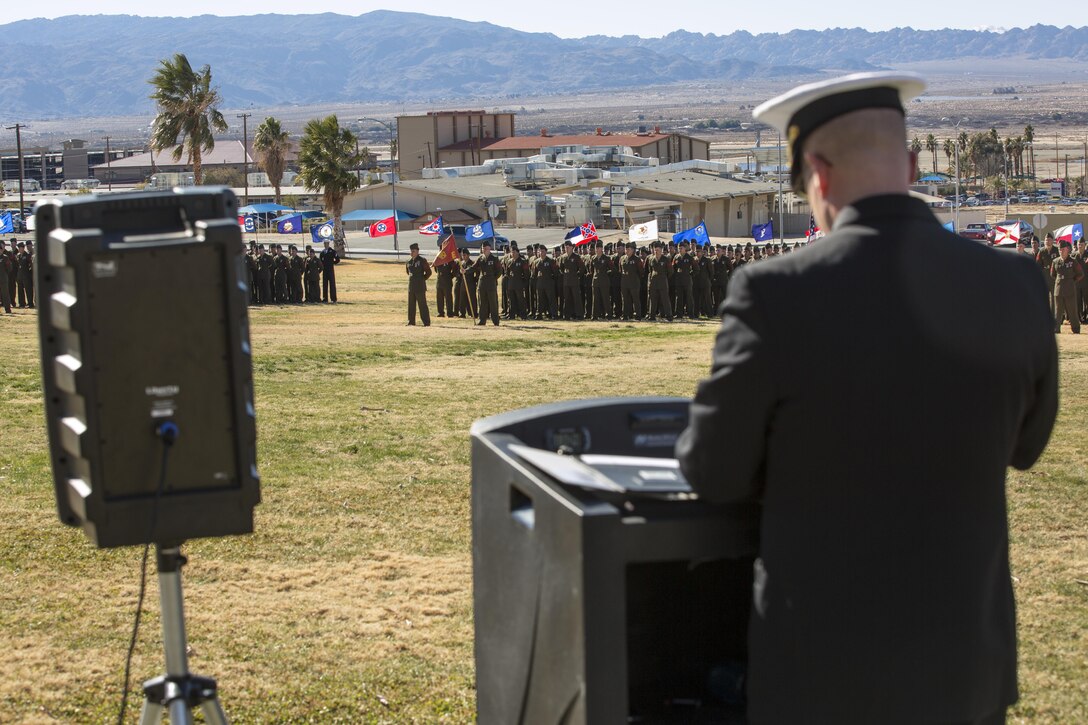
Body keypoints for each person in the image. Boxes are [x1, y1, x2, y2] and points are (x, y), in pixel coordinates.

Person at [676, 71, 1058, 725]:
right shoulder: (1015, 283)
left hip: (824, 671)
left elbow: (713, 469)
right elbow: (1026, 445)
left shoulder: (774, 294)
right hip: (964, 666)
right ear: (910, 164)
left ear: (817, 173)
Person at [1051, 241, 1084, 333]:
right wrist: (1060, 280)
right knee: (1058, 311)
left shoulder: (1073, 261)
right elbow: (1052, 274)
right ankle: (1056, 328)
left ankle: (1076, 329)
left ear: (1067, 250)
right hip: (1058, 289)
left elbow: (1080, 274)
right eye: (1059, 249)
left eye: (1063, 249)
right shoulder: (1055, 261)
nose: (1061, 251)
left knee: (1072, 310)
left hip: (1070, 289)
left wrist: (1072, 280)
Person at [471, 241, 502, 326]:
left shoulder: (494, 258)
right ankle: (482, 320)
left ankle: (495, 321)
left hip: (491, 282)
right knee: (482, 302)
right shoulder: (480, 258)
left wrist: (493, 278)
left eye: (485, 248)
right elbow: (474, 267)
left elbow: (499, 271)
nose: (484, 250)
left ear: (489, 249)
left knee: (493, 303)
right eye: (483, 249)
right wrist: (465, 271)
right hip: (482, 282)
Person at [405, 242, 432, 326]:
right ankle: (411, 321)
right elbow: (408, 272)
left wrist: (422, 279)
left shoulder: (422, 260)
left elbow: (428, 272)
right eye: (411, 251)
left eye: (413, 251)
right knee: (411, 305)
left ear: (417, 251)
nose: (412, 253)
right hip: (412, 286)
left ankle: (426, 322)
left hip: (420, 286)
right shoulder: (409, 262)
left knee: (422, 305)